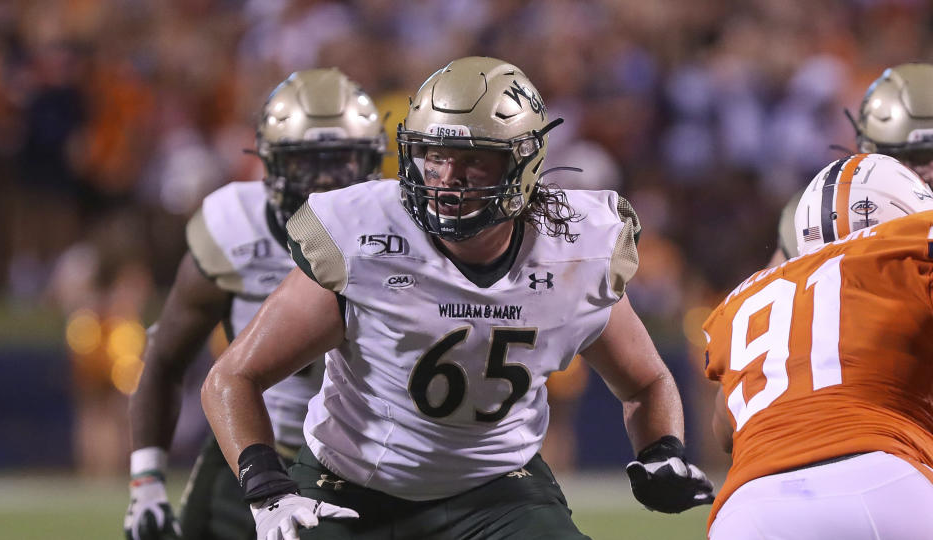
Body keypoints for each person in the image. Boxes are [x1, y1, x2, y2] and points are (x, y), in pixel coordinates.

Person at [201, 56, 714, 540]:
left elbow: (646, 381)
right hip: (350, 486)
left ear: (524, 164)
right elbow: (233, 376)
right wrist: (267, 489)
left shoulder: (574, 252)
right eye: (433, 155)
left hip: (496, 489)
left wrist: (659, 451)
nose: (447, 179)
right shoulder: (363, 239)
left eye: (475, 160)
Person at [124, 68, 386, 540]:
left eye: (342, 160)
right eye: (308, 161)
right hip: (251, 448)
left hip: (363, 465)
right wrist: (147, 483)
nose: (326, 179)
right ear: (270, 162)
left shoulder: (403, 233)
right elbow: (165, 357)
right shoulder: (234, 226)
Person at [703, 153, 933, 539]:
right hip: (884, 481)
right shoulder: (905, 247)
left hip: (749, 509)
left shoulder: (745, 297)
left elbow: (723, 430)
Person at [767, 62, 933, 268]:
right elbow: (773, 297)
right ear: (872, 153)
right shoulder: (819, 212)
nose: (930, 170)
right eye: (919, 156)